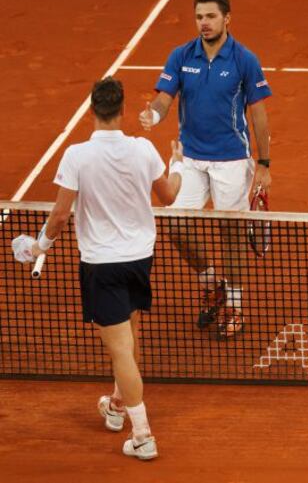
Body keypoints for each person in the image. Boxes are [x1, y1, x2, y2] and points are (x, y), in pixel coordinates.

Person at [12, 76, 183, 460]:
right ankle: (117, 407)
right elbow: (170, 194)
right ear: (122, 111)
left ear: (92, 111)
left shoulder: (77, 156)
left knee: (120, 349)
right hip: (140, 259)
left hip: (102, 265)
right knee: (130, 339)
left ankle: (143, 435)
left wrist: (36, 247)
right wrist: (178, 162)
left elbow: (58, 216)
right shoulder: (144, 149)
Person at [139, 0, 272, 340]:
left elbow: (258, 112)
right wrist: (153, 113)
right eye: (199, 16)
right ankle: (212, 282)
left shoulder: (244, 59)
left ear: (226, 18)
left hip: (232, 160)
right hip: (191, 159)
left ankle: (235, 305)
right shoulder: (182, 55)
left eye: (211, 16)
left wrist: (265, 162)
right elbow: (165, 98)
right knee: (177, 228)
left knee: (231, 234)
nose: (204, 23)